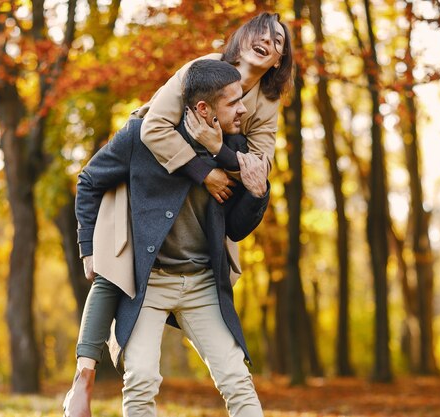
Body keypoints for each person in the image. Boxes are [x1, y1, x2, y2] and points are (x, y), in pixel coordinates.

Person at [63, 11, 294, 417]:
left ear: (278, 61)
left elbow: (241, 217)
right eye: (232, 102)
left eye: (279, 42)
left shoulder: (248, 129)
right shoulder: (146, 130)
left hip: (202, 279)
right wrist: (88, 249)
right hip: (147, 280)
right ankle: (83, 374)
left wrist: (253, 187)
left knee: (237, 380)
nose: (242, 111)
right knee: (140, 379)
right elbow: (103, 169)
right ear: (204, 108)